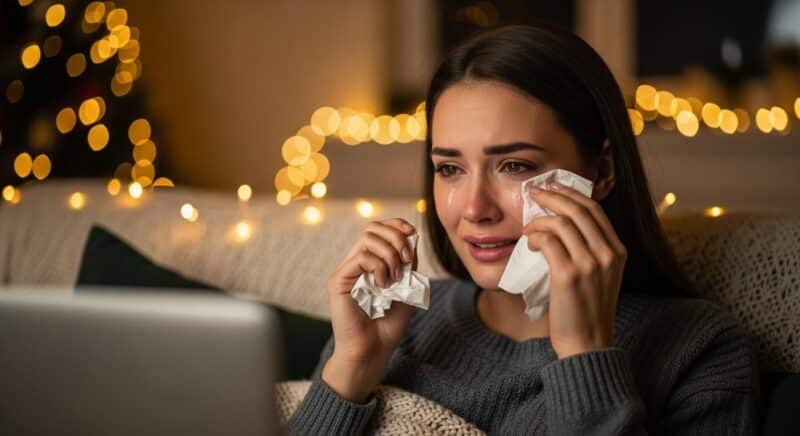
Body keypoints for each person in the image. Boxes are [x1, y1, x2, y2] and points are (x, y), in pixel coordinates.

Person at [286, 23, 759, 435]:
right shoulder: (390, 324)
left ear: (602, 172)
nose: (474, 208)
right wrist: (353, 366)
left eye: (513, 165)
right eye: (450, 169)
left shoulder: (699, 349)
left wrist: (584, 352)